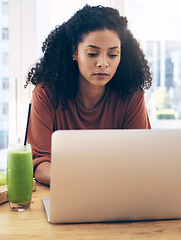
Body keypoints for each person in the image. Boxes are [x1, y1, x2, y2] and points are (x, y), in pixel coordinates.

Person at [25, 5, 152, 186]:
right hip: (65, 192)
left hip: (116, 195)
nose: (103, 63)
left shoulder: (131, 96)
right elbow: (40, 166)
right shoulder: (46, 94)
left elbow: (143, 159)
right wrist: (88, 181)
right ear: (74, 52)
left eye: (113, 54)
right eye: (92, 53)